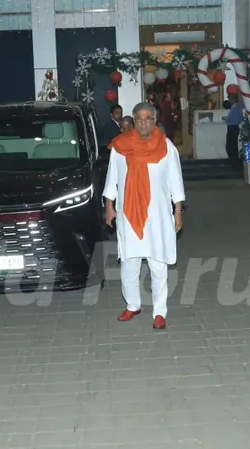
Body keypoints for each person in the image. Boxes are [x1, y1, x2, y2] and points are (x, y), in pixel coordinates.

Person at [103, 102, 185, 330]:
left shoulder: (166, 147)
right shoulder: (121, 147)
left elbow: (175, 181)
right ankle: (132, 305)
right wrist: (109, 206)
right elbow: (112, 179)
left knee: (158, 265)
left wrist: (178, 211)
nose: (143, 122)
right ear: (134, 120)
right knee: (129, 263)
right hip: (129, 213)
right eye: (139, 118)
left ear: (155, 121)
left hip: (157, 215)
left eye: (148, 118)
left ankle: (159, 312)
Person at [224, 94, 243, 170]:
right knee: (232, 146)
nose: (229, 100)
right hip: (233, 127)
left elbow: (233, 119)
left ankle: (234, 163)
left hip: (233, 127)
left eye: (230, 99)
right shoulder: (235, 108)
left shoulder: (235, 108)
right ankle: (234, 163)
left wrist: (227, 120)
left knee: (231, 146)